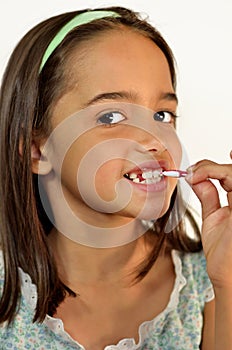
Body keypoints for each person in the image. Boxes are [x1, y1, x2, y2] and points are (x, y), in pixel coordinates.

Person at [0, 6, 231, 350]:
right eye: (111, 116)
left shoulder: (208, 286)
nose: (155, 139)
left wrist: (228, 281)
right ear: (37, 150)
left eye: (161, 114)